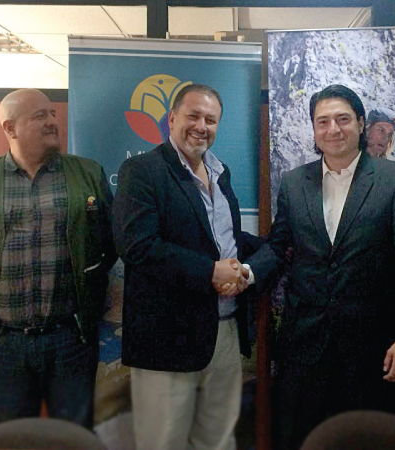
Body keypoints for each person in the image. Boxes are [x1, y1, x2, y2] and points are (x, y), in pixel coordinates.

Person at [247, 84, 395, 450]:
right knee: (302, 440)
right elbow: (279, 245)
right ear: (314, 130)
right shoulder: (294, 183)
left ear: (361, 124)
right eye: (323, 121)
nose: (333, 129)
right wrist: (247, 273)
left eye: (343, 119)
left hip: (371, 348)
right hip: (304, 347)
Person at [0, 88, 117, 428]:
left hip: (71, 340)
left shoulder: (87, 173)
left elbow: (110, 242)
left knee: (72, 436)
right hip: (5, 343)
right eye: (40, 116)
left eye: (53, 113)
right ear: (10, 127)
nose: (52, 121)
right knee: (10, 437)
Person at [112, 84, 262, 450]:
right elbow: (138, 246)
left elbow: (225, 239)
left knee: (218, 440)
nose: (201, 126)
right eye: (193, 116)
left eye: (211, 120)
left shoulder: (221, 173)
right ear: (172, 118)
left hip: (224, 332)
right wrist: (211, 272)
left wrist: (248, 265)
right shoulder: (142, 170)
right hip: (168, 339)